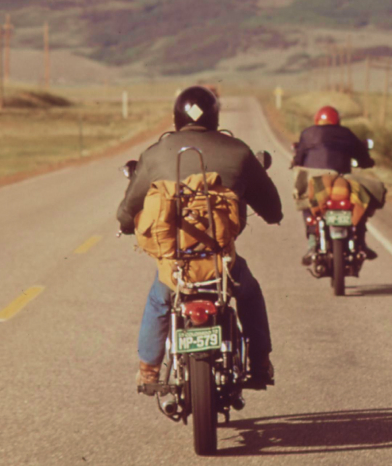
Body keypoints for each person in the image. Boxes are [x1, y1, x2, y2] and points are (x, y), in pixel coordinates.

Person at [117, 86, 283, 389]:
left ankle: (149, 370)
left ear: (176, 117)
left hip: (175, 267)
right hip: (222, 264)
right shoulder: (238, 151)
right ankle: (260, 363)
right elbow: (271, 204)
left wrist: (126, 223)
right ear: (216, 116)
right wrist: (274, 216)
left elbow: (130, 206)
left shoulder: (155, 154)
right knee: (249, 294)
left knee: (159, 300)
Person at [291, 105, 382, 264]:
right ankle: (361, 240)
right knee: (360, 197)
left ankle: (312, 241)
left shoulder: (307, 133)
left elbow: (298, 159)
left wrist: (295, 162)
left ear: (317, 120)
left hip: (316, 177)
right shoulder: (346, 133)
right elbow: (362, 155)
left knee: (306, 201)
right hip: (342, 177)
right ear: (337, 121)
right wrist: (367, 162)